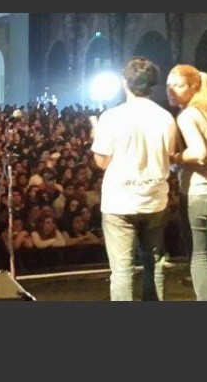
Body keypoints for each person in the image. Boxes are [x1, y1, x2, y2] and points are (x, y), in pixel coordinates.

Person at [90, 57, 177, 301]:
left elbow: (101, 162)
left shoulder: (111, 117)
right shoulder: (165, 118)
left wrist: (97, 136)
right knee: (154, 265)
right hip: (154, 200)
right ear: (153, 85)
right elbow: (170, 155)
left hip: (119, 202)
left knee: (122, 272)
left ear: (124, 82)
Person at [166, 64, 207, 300]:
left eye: (178, 85)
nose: (170, 90)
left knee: (200, 255)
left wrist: (173, 157)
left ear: (194, 86)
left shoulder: (188, 115)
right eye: (169, 85)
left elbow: (198, 152)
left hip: (200, 193)